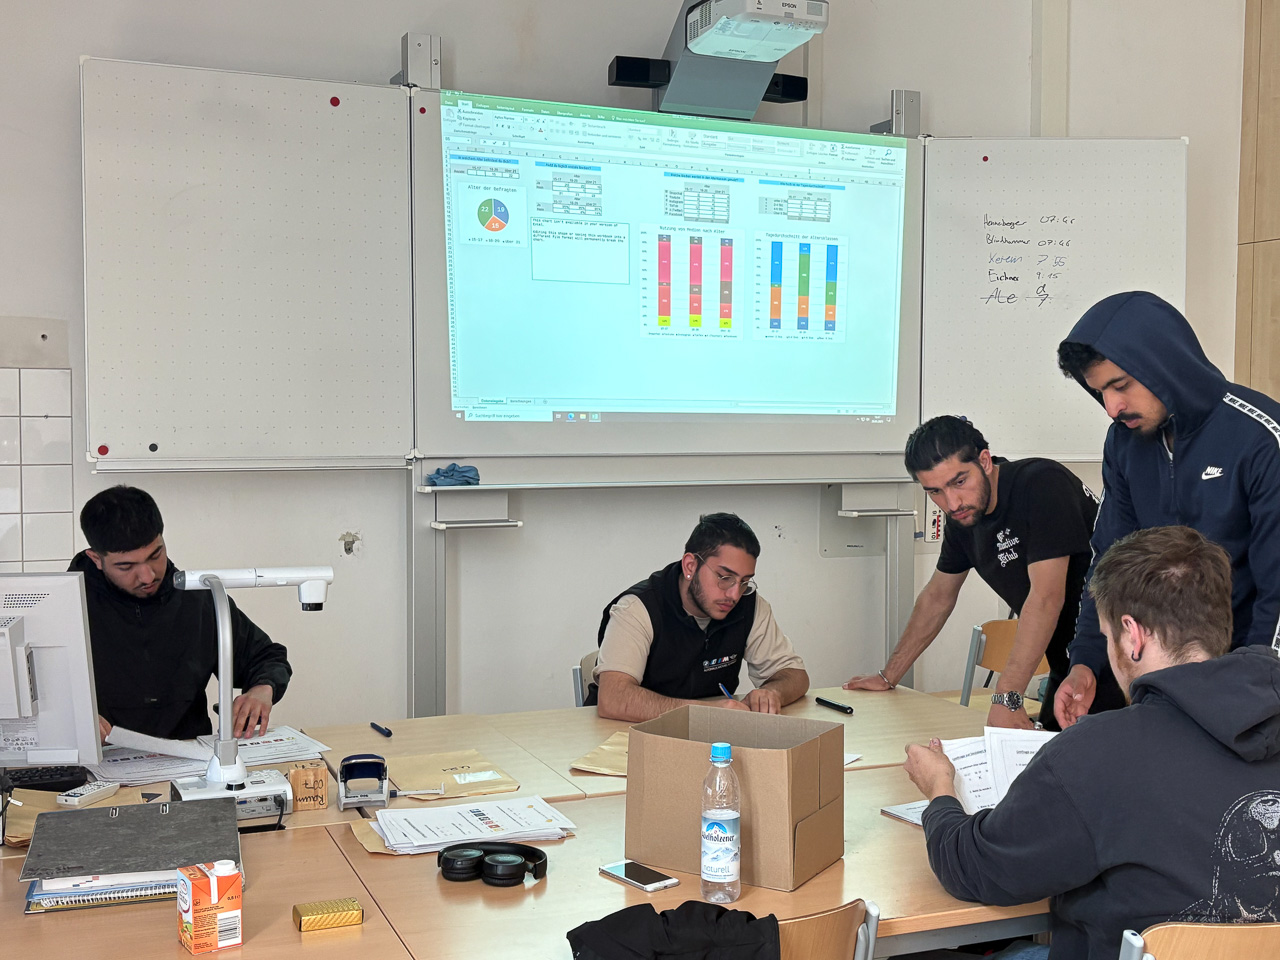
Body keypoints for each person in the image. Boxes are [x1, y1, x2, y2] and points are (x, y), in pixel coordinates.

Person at [903, 526, 1280, 960]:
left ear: (1133, 635)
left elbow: (974, 868)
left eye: (1105, 637)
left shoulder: (1097, 753)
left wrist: (940, 790)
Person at [1054, 290, 1280, 728]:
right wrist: (1084, 662)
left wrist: (1250, 694)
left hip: (1251, 688)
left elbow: (1278, 593)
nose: (1112, 408)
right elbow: (1110, 561)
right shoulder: (1124, 442)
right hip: (1164, 689)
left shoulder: (1261, 438)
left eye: (1121, 386)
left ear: (1164, 364)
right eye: (1100, 392)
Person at [843, 416, 1118, 730]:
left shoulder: (1041, 484)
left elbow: (1045, 598)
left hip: (1119, 662)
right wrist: (888, 675)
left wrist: (1006, 697)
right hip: (1069, 669)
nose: (952, 503)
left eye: (959, 482)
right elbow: (937, 598)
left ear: (985, 461)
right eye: (935, 492)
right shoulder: (963, 519)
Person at [71, 485, 291, 741]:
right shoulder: (68, 607)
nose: (147, 576)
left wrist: (262, 689)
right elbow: (40, 691)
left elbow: (265, 656)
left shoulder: (197, 599)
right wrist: (72, 716)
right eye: (126, 566)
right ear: (96, 559)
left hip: (189, 756)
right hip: (101, 758)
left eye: (155, 555)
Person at [589, 512, 809, 722]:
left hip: (710, 735)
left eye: (744, 582)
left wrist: (773, 692)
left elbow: (795, 676)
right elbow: (613, 699)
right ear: (690, 566)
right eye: (724, 577)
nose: (734, 594)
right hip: (627, 734)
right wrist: (705, 712)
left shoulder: (750, 605)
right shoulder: (638, 608)